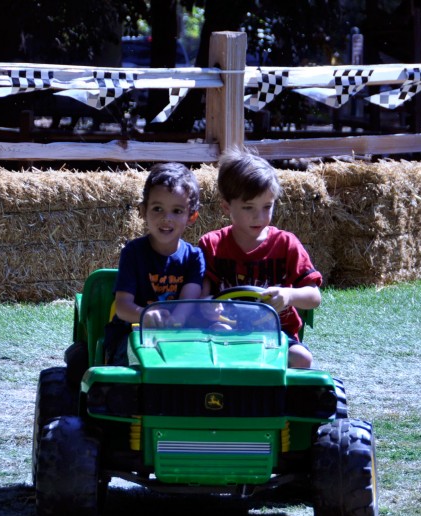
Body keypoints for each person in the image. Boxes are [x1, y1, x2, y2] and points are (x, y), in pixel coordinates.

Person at [199, 149, 322, 368]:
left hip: (276, 333)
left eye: (267, 207)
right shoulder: (212, 245)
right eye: (249, 208)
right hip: (225, 332)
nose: (260, 217)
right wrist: (207, 306)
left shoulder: (286, 243)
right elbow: (202, 297)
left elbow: (314, 297)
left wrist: (288, 294)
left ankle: (284, 401)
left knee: (303, 358)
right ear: (226, 207)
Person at [104, 162, 205, 364]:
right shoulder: (133, 253)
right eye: (158, 208)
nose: (166, 219)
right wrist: (145, 315)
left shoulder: (194, 257)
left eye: (177, 211)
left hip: (177, 335)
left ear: (191, 216)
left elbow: (187, 304)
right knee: (136, 360)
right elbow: (123, 307)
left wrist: (175, 322)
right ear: (143, 211)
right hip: (132, 333)